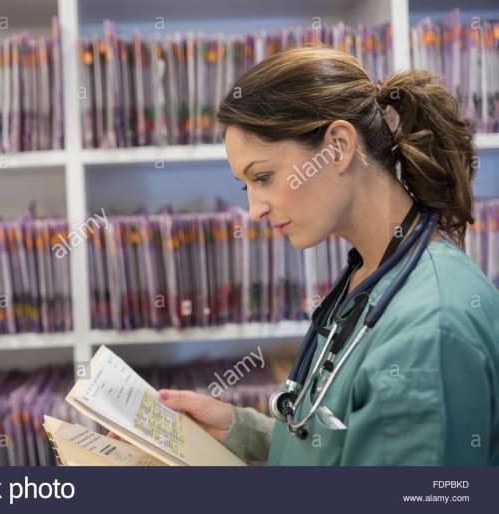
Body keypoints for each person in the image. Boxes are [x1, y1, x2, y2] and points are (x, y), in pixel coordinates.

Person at [138, 47, 499, 465]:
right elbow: (345, 443)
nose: (254, 209)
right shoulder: (370, 273)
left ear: (339, 146)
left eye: (263, 177)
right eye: (246, 186)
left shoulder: (430, 329)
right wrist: (241, 432)